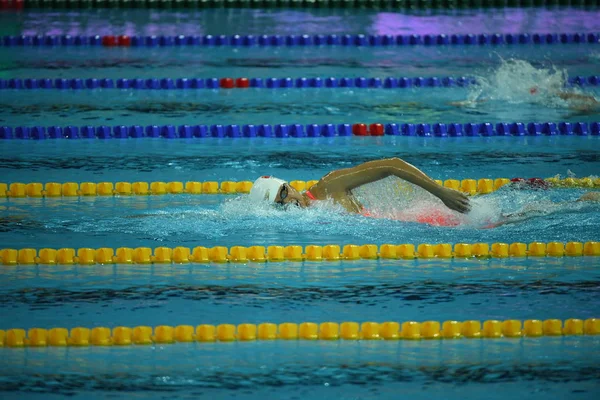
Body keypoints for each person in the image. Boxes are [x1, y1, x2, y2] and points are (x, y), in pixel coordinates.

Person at [249, 157, 471, 216]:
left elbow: (392, 165)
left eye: (284, 192)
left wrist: (441, 193)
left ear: (291, 186)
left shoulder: (328, 186)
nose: (288, 201)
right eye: (280, 203)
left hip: (434, 218)